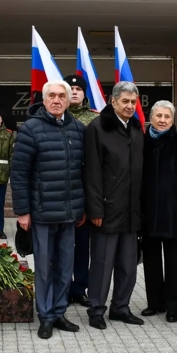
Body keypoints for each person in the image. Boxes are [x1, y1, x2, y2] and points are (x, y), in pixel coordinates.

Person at [11, 80, 86, 339]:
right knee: (43, 267)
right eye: (51, 95)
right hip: (41, 213)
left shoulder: (78, 129)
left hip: (69, 213)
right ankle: (45, 316)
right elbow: (19, 173)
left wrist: (82, 207)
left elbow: (83, 172)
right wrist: (22, 211)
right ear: (43, 101)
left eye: (61, 96)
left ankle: (59, 311)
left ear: (68, 100)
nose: (56, 100)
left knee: (65, 267)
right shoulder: (30, 129)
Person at [85, 81, 145, 330]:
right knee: (102, 263)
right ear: (113, 101)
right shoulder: (98, 128)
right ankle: (96, 309)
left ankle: (121, 307)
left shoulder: (136, 128)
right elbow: (92, 172)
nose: (130, 106)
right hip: (107, 210)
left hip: (131, 211)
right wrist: (95, 209)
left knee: (128, 264)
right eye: (125, 101)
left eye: (133, 102)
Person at [140, 101, 177, 323]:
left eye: (167, 116)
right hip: (148, 214)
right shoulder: (142, 143)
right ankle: (155, 303)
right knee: (151, 261)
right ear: (151, 117)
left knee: (174, 263)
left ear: (173, 121)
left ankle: (174, 305)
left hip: (175, 214)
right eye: (159, 116)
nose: (162, 120)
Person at [65, 74, 99, 307]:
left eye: (78, 89)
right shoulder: (57, 116)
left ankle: (80, 288)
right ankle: (63, 287)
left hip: (84, 190)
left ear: (85, 93)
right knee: (62, 246)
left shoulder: (94, 120)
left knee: (82, 245)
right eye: (71, 88)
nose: (75, 92)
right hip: (61, 192)